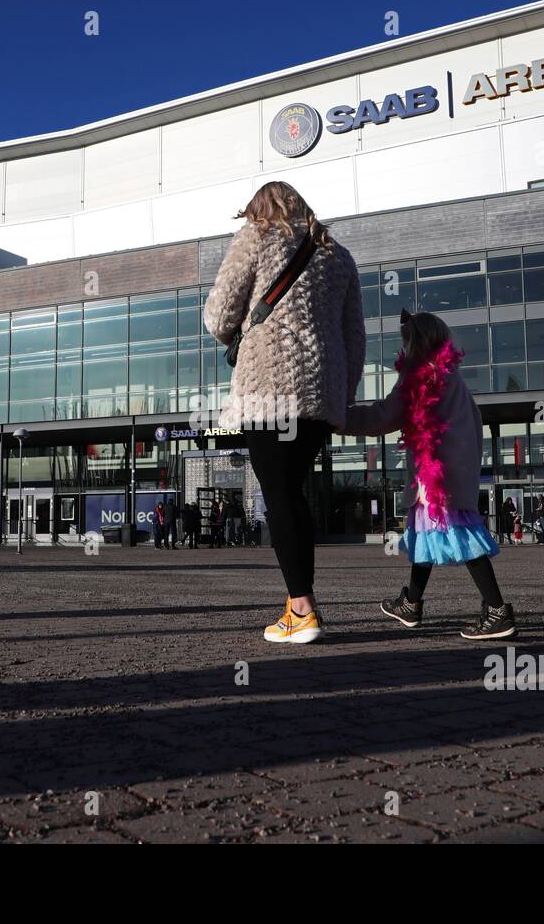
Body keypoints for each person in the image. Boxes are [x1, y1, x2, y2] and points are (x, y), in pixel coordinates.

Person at [203, 181, 365, 644]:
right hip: (321, 392)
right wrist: (343, 397)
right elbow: (355, 338)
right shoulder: (340, 257)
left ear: (258, 209)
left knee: (279, 497)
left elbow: (218, 318)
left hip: (269, 387)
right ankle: (298, 603)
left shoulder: (256, 236)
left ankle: (302, 608)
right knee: (292, 494)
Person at [344, 310, 515, 640]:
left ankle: (497, 611)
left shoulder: (421, 377)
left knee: (461, 538)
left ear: (415, 342)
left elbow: (384, 416)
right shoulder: (452, 378)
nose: (403, 347)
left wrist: (340, 418)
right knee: (425, 536)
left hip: (437, 480)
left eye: (405, 341)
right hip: (448, 474)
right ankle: (411, 602)